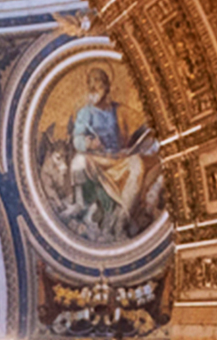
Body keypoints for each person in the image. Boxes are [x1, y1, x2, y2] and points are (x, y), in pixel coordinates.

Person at [65, 67, 158, 239]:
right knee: (78, 161)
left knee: (137, 164)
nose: (94, 91)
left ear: (106, 88)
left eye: (98, 86)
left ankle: (123, 216)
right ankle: (79, 203)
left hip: (118, 158)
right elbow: (76, 139)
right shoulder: (86, 113)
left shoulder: (119, 110)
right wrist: (89, 143)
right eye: (91, 87)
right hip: (97, 159)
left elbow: (141, 126)